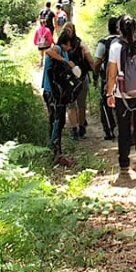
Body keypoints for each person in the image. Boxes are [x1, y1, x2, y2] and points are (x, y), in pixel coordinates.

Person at [106, 15, 136, 181]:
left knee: (124, 130)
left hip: (123, 96)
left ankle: (124, 166)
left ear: (119, 29)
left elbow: (112, 73)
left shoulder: (115, 47)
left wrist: (110, 93)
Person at [42, 29, 83, 168]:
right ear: (65, 44)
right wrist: (65, 61)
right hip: (51, 91)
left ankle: (56, 150)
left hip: (59, 93)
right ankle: (54, 150)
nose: (70, 48)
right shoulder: (58, 49)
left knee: (59, 121)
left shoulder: (64, 52)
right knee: (56, 120)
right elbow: (48, 52)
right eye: (69, 45)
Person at [62, 22, 94, 140]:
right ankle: (81, 128)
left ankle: (74, 130)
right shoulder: (81, 44)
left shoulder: (60, 46)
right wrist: (94, 70)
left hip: (68, 79)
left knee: (71, 105)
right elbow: (90, 59)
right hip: (81, 78)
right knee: (81, 105)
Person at [94, 18, 120, 140]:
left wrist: (95, 73)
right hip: (124, 76)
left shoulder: (103, 43)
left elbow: (97, 62)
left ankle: (109, 130)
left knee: (105, 103)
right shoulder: (124, 40)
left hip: (107, 77)